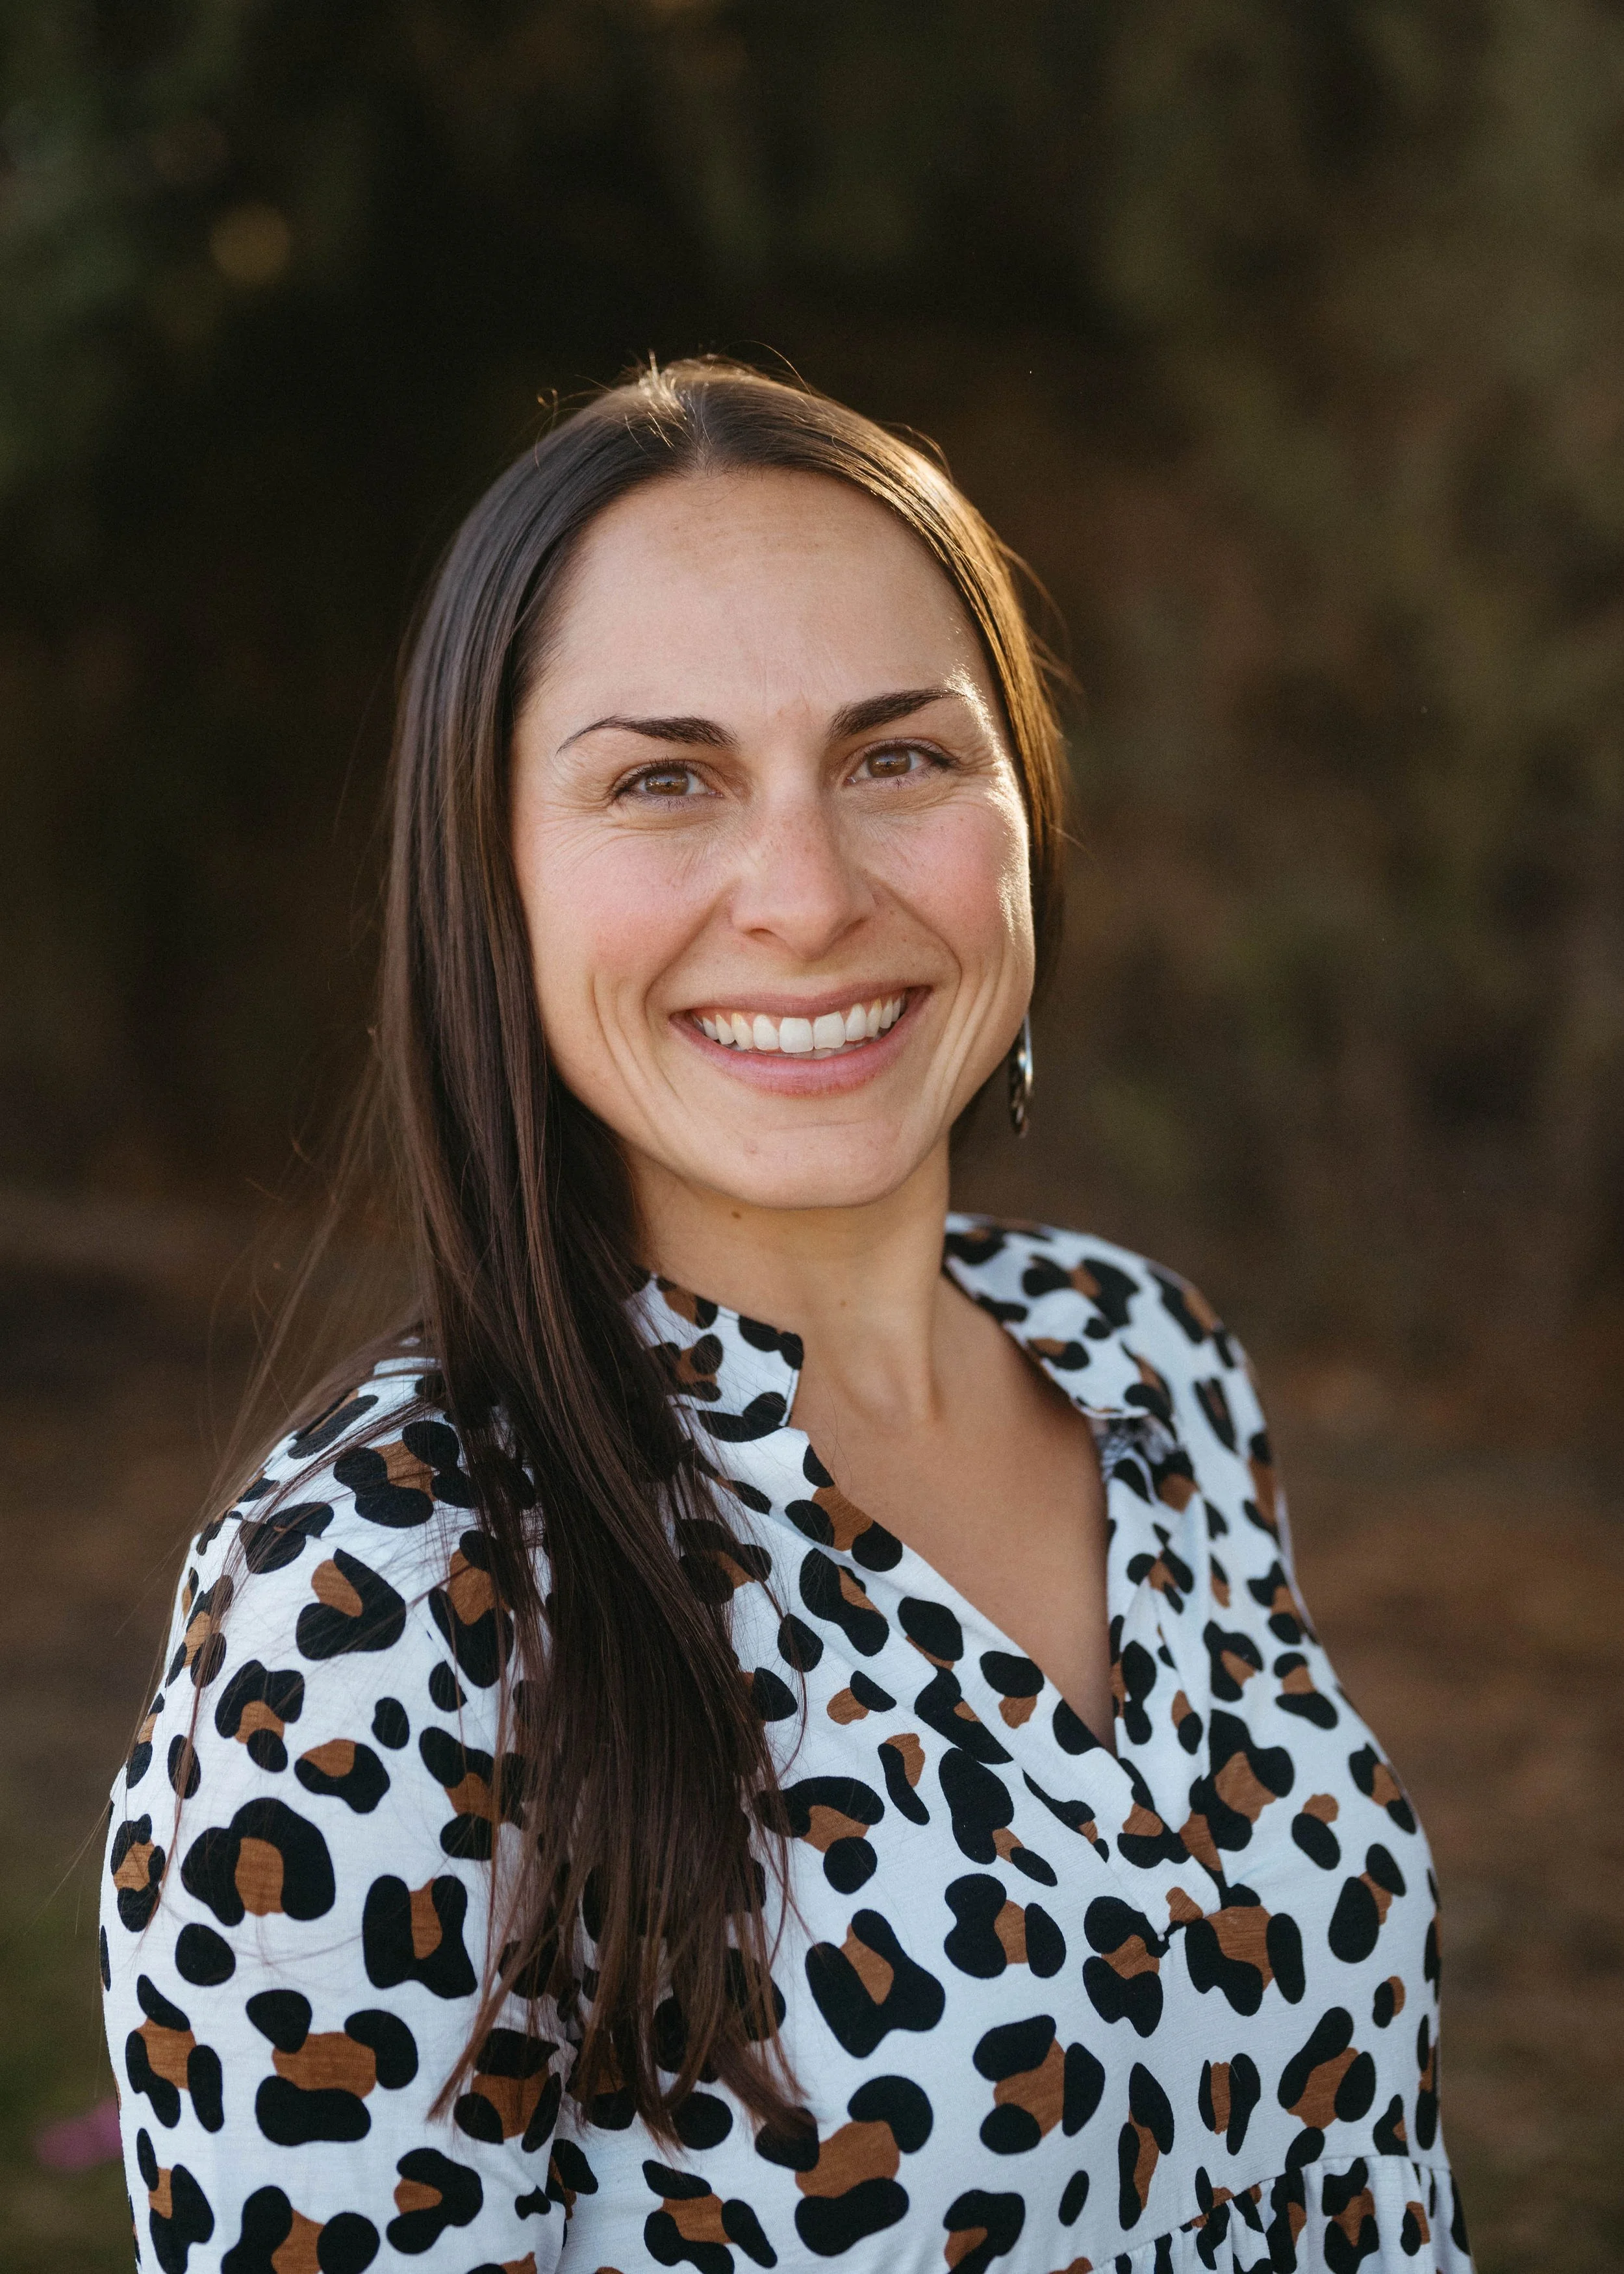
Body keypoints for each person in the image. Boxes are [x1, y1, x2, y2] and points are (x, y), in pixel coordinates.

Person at [103, 360, 1471, 2274]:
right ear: (488, 874)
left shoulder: (1145, 1360)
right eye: (663, 779)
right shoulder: (379, 1591)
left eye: (896, 755)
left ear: (1022, 802)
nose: (807, 895)